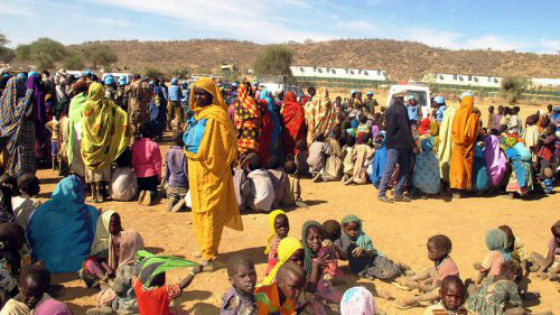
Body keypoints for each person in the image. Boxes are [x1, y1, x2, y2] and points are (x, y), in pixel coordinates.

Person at [184, 77, 243, 270]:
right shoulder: (197, 115)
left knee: (211, 211)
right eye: (197, 93)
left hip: (213, 171)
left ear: (211, 95)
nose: (199, 97)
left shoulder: (218, 115)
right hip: (196, 168)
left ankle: (209, 256)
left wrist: (219, 162)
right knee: (199, 209)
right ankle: (205, 247)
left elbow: (228, 144)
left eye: (203, 94)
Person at [27, 175, 98, 273]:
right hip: (80, 263)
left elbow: (31, 236)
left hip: (46, 263)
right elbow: (97, 238)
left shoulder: (44, 210)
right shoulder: (91, 212)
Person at [81, 82, 131, 203]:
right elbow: (121, 113)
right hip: (105, 144)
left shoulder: (87, 106)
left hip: (90, 144)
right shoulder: (108, 104)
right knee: (104, 166)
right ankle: (102, 192)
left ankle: (94, 194)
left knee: (92, 168)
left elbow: (86, 124)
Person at [88, 230, 145, 315]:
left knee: (106, 294)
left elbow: (118, 289)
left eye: (119, 249)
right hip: (145, 303)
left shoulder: (126, 268)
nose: (118, 252)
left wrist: (112, 283)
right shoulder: (146, 264)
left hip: (126, 306)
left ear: (126, 249)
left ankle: (107, 307)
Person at [396, 235, 459, 309]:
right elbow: (432, 272)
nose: (428, 253)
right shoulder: (441, 259)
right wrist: (411, 279)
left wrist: (418, 286)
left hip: (447, 297)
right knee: (431, 271)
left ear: (443, 251)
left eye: (431, 251)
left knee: (437, 291)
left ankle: (415, 300)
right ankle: (412, 280)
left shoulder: (447, 266)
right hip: (440, 285)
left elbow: (435, 290)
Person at [335, 214, 404, 281]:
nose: (352, 232)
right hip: (362, 264)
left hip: (374, 258)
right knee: (366, 272)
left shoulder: (363, 238)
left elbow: (371, 253)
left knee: (389, 273)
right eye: (349, 229)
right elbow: (342, 255)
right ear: (343, 228)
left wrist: (363, 250)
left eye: (355, 229)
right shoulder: (340, 239)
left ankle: (398, 266)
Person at [133, 251, 201, 315]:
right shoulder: (163, 292)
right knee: (183, 313)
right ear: (159, 279)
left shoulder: (138, 286)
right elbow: (181, 286)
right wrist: (193, 272)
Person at [377, 97, 414, 203]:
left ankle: (398, 193)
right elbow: (404, 127)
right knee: (395, 167)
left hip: (392, 142)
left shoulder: (390, 109)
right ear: (402, 100)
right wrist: (412, 143)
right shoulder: (402, 109)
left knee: (397, 166)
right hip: (399, 142)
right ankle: (382, 193)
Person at [0, 262, 72, 315]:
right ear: (19, 285)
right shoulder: (10, 311)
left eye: (38, 294)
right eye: (29, 294)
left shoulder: (44, 297)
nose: (33, 299)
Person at [0, 77, 37, 177]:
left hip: (9, 139)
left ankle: (16, 179)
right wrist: (29, 94)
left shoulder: (3, 103)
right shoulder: (23, 102)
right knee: (22, 158)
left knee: (14, 160)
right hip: (19, 140)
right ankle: (22, 180)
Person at [80, 211, 124, 287]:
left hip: (122, 268)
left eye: (119, 224)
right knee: (89, 263)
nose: (118, 227)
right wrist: (108, 270)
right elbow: (100, 259)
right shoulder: (101, 242)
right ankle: (106, 280)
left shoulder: (125, 237)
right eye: (114, 225)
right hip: (107, 270)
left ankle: (110, 283)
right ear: (105, 226)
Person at [449, 92, 479, 198]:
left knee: (457, 167)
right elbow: (473, 134)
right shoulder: (474, 117)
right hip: (469, 146)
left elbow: (454, 130)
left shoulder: (458, 114)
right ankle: (464, 189)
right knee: (466, 167)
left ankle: (455, 188)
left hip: (458, 146)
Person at [132, 123, 162, 206]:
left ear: (141, 133)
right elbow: (157, 163)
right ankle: (150, 194)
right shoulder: (154, 145)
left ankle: (143, 192)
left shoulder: (135, 145)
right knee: (154, 192)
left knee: (142, 187)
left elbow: (134, 161)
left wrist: (135, 170)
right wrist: (159, 176)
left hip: (140, 175)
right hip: (152, 174)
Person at [234, 83, 260, 162]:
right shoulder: (252, 100)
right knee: (250, 150)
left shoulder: (239, 100)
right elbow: (257, 113)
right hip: (252, 128)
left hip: (242, 128)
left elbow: (237, 116)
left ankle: (241, 164)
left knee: (242, 149)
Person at [164, 132, 188, 212]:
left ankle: (173, 198)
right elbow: (186, 170)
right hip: (183, 185)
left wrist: (166, 179)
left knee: (172, 194)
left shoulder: (169, 152)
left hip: (171, 184)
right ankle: (182, 201)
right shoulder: (184, 153)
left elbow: (166, 170)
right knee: (187, 196)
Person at [265, 210, 290, 275]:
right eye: (279, 227)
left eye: (285, 225)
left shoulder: (286, 238)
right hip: (276, 268)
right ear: (274, 228)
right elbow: (275, 259)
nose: (283, 228)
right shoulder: (276, 242)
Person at [281, 91, 306, 156]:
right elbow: (301, 119)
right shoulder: (298, 106)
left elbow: (281, 118)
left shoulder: (284, 106)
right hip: (296, 130)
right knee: (295, 146)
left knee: (286, 147)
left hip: (286, 131)